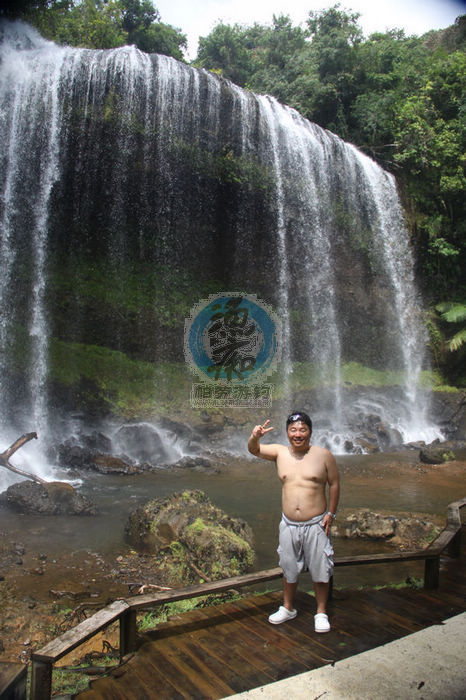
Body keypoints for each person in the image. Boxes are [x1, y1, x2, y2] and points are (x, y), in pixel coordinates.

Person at [248, 411, 339, 633]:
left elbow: (335, 483)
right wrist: (255, 436)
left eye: (302, 430)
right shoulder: (280, 453)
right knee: (288, 567)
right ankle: (288, 608)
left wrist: (331, 513)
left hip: (316, 523)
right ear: (287, 432)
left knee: (320, 568)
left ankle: (321, 612)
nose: (298, 434)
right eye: (293, 430)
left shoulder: (323, 455)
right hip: (288, 524)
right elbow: (254, 450)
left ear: (310, 432)